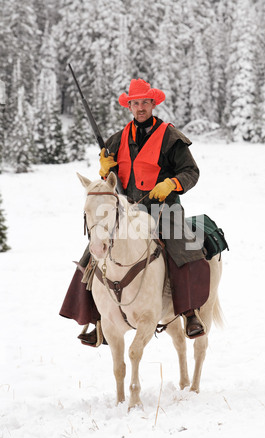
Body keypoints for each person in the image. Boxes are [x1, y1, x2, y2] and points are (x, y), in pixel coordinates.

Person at [59, 78, 210, 345]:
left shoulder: (171, 138)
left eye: (145, 102)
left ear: (153, 104)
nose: (140, 107)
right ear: (129, 106)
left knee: (183, 250)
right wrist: (106, 170)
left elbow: (191, 172)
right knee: (93, 252)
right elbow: (112, 180)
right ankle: (98, 320)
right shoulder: (117, 140)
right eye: (135, 103)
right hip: (128, 211)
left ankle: (189, 313)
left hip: (165, 209)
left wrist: (172, 184)